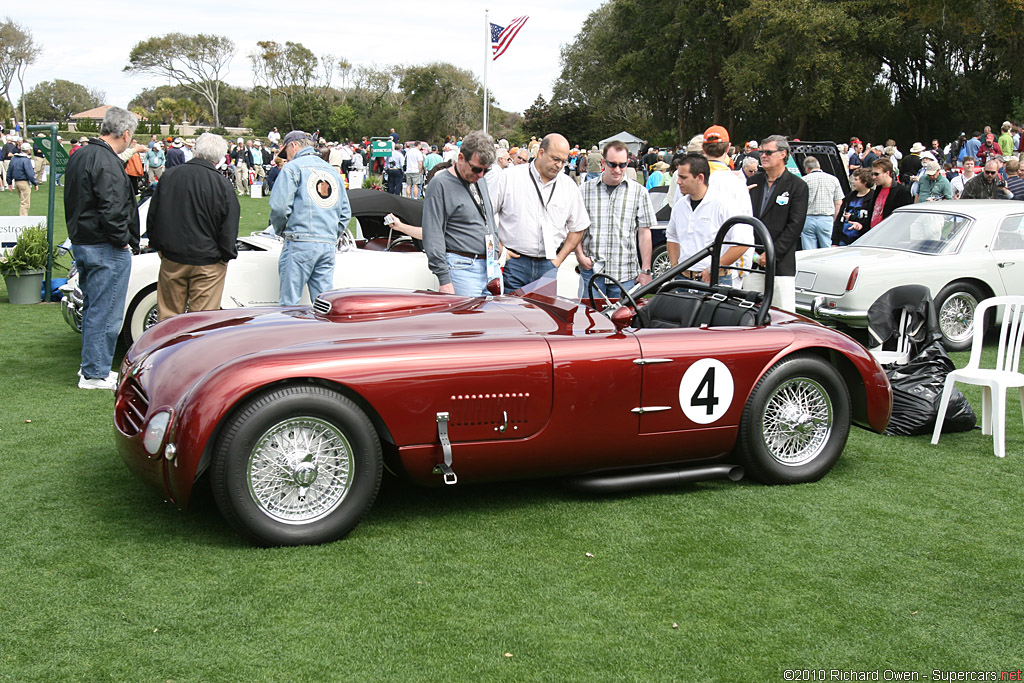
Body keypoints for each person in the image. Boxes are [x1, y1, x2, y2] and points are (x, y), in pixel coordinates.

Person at [63, 106, 141, 390]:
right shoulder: (106, 161)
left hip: (84, 240)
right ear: (126, 133)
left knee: (96, 307)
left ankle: (92, 367)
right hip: (103, 244)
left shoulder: (82, 154)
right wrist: (123, 239)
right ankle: (94, 372)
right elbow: (112, 208)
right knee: (106, 311)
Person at [146, 133, 240, 321]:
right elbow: (229, 227)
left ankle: (169, 350)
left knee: (169, 320)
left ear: (196, 150)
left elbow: (153, 216)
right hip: (207, 262)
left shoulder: (170, 176)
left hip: (174, 257)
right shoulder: (222, 185)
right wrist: (226, 254)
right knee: (201, 323)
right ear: (219, 158)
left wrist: (158, 246)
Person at [490, 133, 590, 292]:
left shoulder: (568, 186)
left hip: (548, 265)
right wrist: (500, 249)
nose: (559, 165)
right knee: (511, 314)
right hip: (514, 263)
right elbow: (485, 215)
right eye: (555, 159)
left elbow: (578, 226)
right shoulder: (510, 178)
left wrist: (558, 260)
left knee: (543, 316)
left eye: (563, 161)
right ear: (541, 153)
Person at [269, 130, 351, 305]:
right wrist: (331, 235)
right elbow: (345, 214)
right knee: (324, 306)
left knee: (289, 305)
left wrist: (281, 230)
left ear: (294, 146)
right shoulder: (333, 171)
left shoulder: (292, 168)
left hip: (299, 240)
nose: (287, 157)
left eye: (287, 153)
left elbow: (280, 208)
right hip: (327, 243)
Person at [422, 130, 499, 297]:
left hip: (490, 266)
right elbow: (433, 234)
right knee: (467, 321)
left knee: (492, 321)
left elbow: (489, 219)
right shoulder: (440, 184)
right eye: (477, 169)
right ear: (461, 158)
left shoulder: (480, 180)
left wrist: (496, 255)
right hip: (462, 267)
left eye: (486, 171)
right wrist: (444, 280)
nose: (481, 175)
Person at [576, 140, 656, 298]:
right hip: (592, 272)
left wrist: (646, 270)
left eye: (622, 165)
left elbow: (644, 232)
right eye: (612, 164)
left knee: (624, 322)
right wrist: (579, 255)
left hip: (625, 275)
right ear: (603, 162)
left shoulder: (639, 192)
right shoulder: (584, 190)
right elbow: (575, 227)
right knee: (591, 322)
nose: (617, 170)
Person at [666, 153, 752, 287]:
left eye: (683, 177)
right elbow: (672, 237)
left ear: (700, 178)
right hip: (682, 279)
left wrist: (714, 267)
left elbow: (743, 242)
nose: (678, 182)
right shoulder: (680, 205)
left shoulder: (724, 204)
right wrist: (674, 266)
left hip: (715, 280)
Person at [746, 135, 809, 313]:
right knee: (748, 312)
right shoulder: (753, 182)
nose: (763, 156)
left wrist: (771, 253)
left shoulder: (798, 186)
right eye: (761, 152)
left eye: (768, 152)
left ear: (783, 154)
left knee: (782, 315)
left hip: (780, 264)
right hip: (752, 260)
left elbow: (795, 225)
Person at [800, 156, 844, 249]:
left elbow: (798, 203)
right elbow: (838, 203)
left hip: (808, 218)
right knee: (827, 249)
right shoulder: (833, 179)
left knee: (808, 251)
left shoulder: (803, 180)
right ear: (819, 166)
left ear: (807, 168)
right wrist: (835, 220)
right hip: (826, 218)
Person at [867, 158, 913, 227]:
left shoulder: (901, 191)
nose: (873, 177)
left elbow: (905, 219)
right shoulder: (878, 188)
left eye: (876, 174)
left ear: (887, 173)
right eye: (872, 174)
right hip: (874, 232)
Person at [837, 168, 875, 246]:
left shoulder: (873, 198)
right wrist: (835, 241)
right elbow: (840, 217)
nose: (853, 182)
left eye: (856, 179)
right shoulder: (850, 196)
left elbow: (870, 220)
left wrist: (853, 218)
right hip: (844, 239)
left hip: (862, 240)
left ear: (865, 182)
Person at [9, 142, 38, 215]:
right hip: (24, 182)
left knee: (22, 200)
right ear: (28, 151)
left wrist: (9, 182)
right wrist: (35, 183)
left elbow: (9, 171)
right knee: (25, 202)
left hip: (16, 182)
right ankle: (23, 219)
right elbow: (30, 173)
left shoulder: (14, 158)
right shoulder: (26, 160)